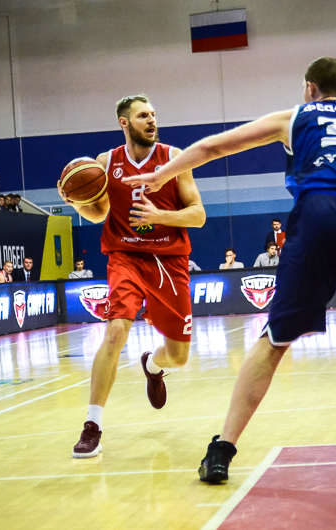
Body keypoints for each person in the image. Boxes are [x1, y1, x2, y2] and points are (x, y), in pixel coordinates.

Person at [123, 57, 336, 480]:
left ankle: (222, 449)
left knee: (275, 338)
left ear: (310, 88)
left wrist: (160, 175)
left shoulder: (295, 117)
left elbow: (213, 147)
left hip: (319, 215)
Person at [58, 93, 205, 459]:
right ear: (124, 122)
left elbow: (198, 214)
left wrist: (161, 216)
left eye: (153, 114)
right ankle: (92, 425)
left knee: (179, 357)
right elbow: (98, 213)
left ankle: (152, 366)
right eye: (143, 115)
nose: (151, 120)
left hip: (169, 261)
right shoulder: (106, 162)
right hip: (125, 257)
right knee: (115, 331)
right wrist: (76, 201)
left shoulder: (174, 158)